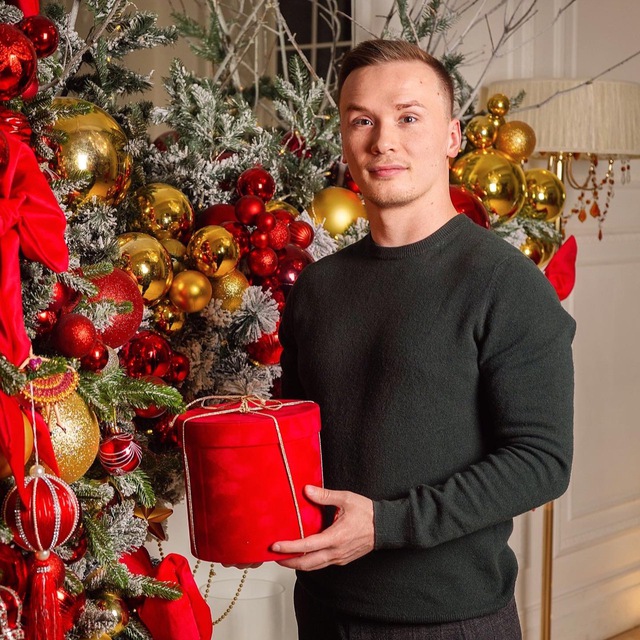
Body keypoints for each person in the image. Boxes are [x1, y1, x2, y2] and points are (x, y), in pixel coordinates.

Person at [273, 38, 576, 640]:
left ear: (452, 137)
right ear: (344, 140)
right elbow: (298, 437)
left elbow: (541, 462)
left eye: (409, 118)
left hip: (449, 619)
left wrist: (386, 525)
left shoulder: (506, 284)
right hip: (323, 608)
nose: (383, 141)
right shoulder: (317, 286)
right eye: (362, 120)